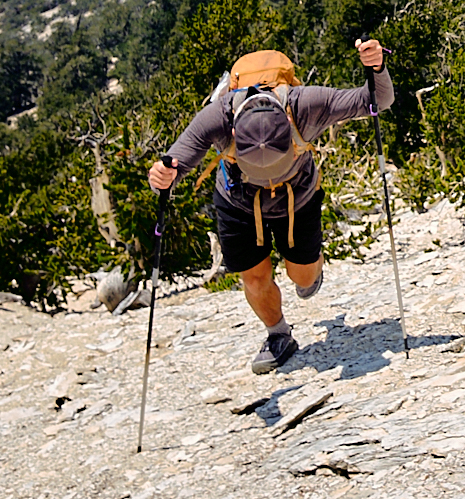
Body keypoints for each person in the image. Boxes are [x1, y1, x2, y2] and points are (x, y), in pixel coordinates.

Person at [147, 39, 392, 374]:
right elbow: (177, 161)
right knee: (254, 278)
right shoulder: (217, 115)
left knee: (302, 276)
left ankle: (309, 270)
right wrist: (163, 175)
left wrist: (376, 67)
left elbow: (376, 100)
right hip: (238, 203)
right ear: (234, 128)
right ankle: (278, 334)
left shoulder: (306, 103)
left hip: (298, 197)